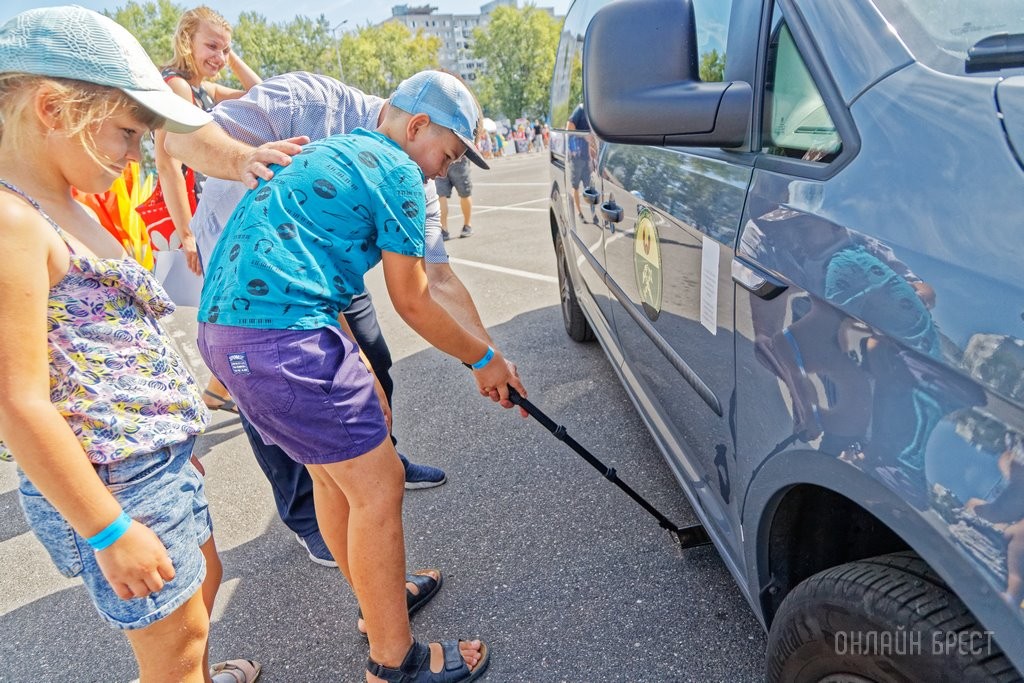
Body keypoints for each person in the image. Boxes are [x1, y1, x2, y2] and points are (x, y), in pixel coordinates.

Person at [195, 69, 522, 683]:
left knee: (333, 477)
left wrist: (361, 364)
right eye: (447, 155)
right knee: (379, 486)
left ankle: (381, 604)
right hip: (286, 340)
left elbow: (306, 266)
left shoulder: (333, 150)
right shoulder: (398, 170)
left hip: (229, 335)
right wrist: (484, 360)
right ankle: (394, 660)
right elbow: (415, 299)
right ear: (418, 125)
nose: (441, 172)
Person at [0, 7, 259, 682]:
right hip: (115, 484)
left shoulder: (67, 201)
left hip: (149, 463)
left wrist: (171, 443)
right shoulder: (11, 223)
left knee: (199, 595)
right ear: (54, 108)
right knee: (171, 650)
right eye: (126, 133)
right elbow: (19, 403)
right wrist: (109, 529)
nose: (136, 153)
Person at [152, 6, 262, 417]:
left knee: (230, 301)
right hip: (202, 218)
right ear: (186, 41)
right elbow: (168, 164)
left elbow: (259, 92)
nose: (218, 56)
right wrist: (187, 233)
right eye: (210, 45)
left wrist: (229, 56)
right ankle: (223, 386)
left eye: (225, 47)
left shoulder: (201, 87)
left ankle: (220, 388)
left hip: (214, 210)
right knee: (230, 304)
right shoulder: (177, 88)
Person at [437, 157, 474, 240]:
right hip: (454, 158)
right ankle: (467, 225)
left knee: (441, 195)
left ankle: (444, 230)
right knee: (464, 193)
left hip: (443, 159)